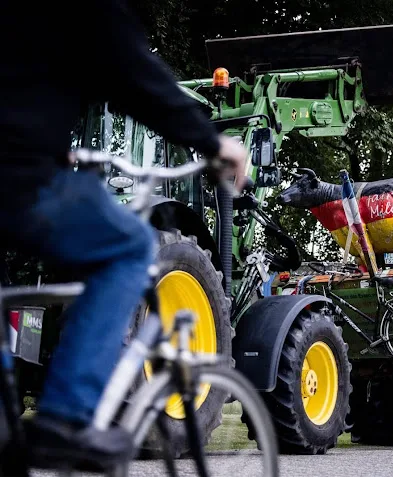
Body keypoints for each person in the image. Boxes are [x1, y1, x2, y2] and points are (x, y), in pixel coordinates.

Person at [0, 0, 247, 468]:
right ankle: (67, 417)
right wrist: (213, 141)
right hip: (21, 176)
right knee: (130, 246)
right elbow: (133, 72)